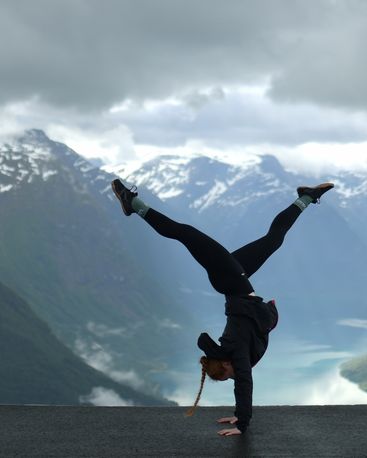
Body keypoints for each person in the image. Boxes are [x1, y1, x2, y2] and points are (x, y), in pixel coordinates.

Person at [111, 178, 334, 436]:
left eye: (229, 373)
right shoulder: (234, 353)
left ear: (225, 364)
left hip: (229, 279)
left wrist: (242, 422)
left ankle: (133, 204)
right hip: (234, 278)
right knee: (273, 241)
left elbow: (241, 381)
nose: (235, 374)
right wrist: (240, 418)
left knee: (185, 233)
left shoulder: (237, 351)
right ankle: (305, 197)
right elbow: (213, 351)